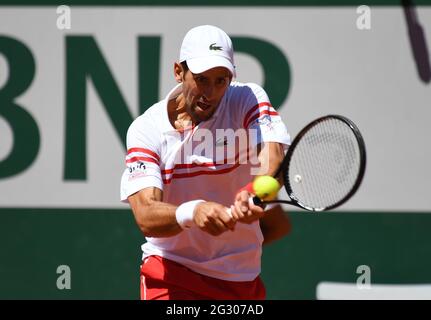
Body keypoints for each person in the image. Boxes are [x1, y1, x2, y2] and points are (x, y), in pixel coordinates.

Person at [120, 25, 291, 300]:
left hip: (241, 278)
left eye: (220, 80)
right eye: (201, 79)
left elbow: (272, 159)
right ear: (179, 72)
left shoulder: (246, 99)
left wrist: (257, 192)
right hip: (170, 274)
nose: (210, 92)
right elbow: (146, 214)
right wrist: (193, 211)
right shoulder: (146, 129)